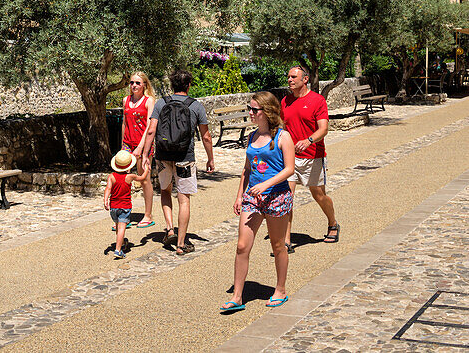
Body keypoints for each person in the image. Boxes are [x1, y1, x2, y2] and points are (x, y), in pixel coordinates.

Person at [220, 91, 296, 314]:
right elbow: (247, 169)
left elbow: (290, 169)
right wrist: (239, 195)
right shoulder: (252, 137)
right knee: (242, 246)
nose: (250, 113)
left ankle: (280, 289)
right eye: (249, 108)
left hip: (277, 197)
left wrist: (266, 184)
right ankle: (237, 296)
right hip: (252, 200)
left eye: (255, 110)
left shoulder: (283, 137)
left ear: (268, 112)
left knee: (278, 245)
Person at [141, 69, 215, 256]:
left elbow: (151, 131)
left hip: (163, 156)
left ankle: (170, 229)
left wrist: (145, 155)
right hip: (185, 158)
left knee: (165, 191)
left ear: (172, 85)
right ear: (189, 85)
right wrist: (210, 158)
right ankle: (181, 244)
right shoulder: (195, 106)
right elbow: (206, 137)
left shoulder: (161, 103)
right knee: (184, 199)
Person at [281, 65, 339, 248]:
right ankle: (286, 241)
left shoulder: (317, 100)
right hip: (290, 158)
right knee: (287, 198)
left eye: (293, 77)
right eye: (288, 77)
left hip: (313, 156)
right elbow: (282, 127)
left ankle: (333, 223)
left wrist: (309, 140)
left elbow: (324, 129)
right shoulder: (285, 101)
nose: (289, 80)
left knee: (319, 195)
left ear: (305, 79)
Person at [121, 71, 156, 228]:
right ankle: (124, 215)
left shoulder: (149, 101)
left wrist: (141, 147)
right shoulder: (125, 101)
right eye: (132, 82)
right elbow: (124, 123)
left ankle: (147, 215)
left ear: (144, 85)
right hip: (128, 143)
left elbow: (149, 125)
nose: (134, 85)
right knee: (123, 179)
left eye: (137, 83)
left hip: (144, 145)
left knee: (144, 178)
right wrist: (123, 146)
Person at [104, 149, 151, 259]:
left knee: (117, 226)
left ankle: (122, 243)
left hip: (113, 208)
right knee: (121, 228)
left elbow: (108, 188)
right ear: (129, 166)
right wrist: (146, 169)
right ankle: (118, 249)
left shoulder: (111, 176)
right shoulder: (130, 177)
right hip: (125, 207)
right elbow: (142, 178)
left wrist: (105, 200)